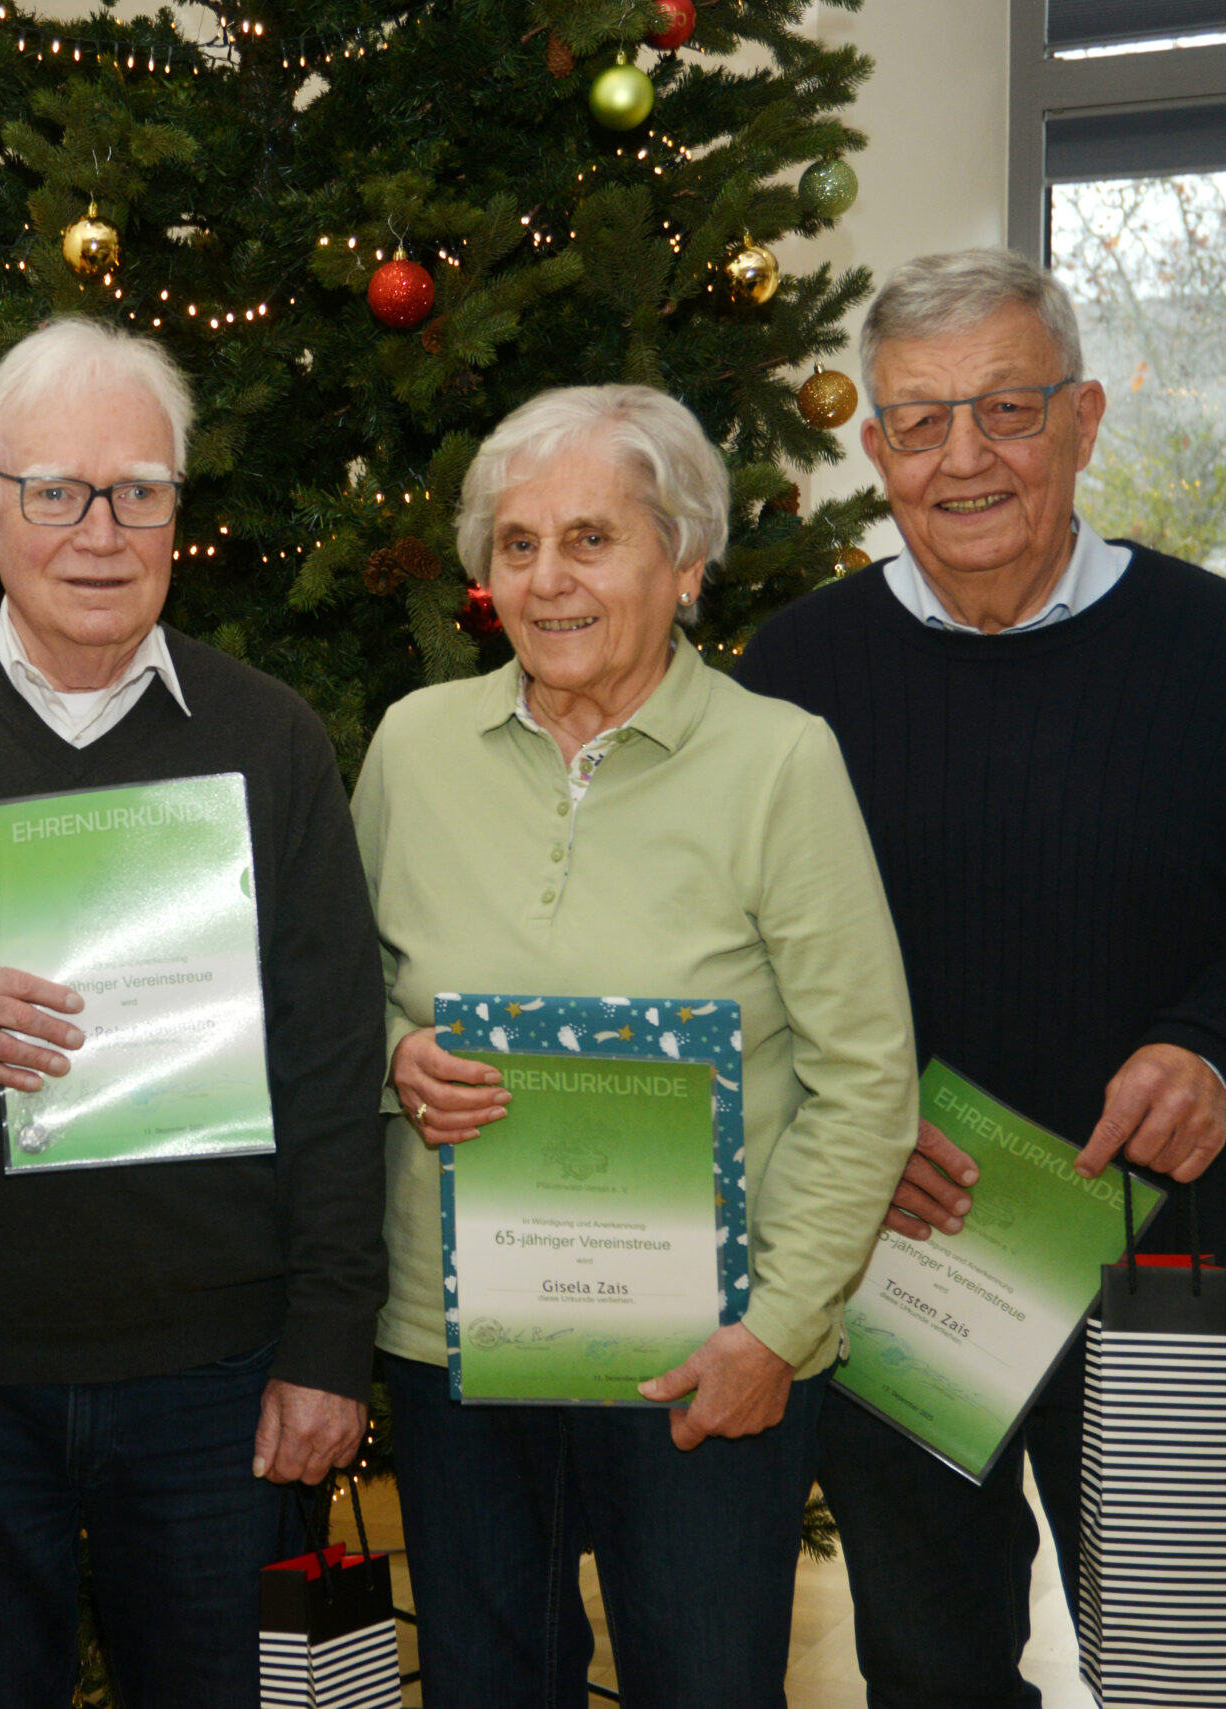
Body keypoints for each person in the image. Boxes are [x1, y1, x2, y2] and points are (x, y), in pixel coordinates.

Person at [738, 247, 1226, 1709]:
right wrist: (835, 1142)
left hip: (1159, 1286)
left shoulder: (1218, 653)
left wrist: (1220, 1052)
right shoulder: (792, 677)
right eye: (921, 419)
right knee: (930, 1677)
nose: (965, 458)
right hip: (898, 1283)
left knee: (1176, 1678)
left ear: (1084, 417)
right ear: (876, 448)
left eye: (1007, 407)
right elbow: (727, 973)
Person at [0, 316, 388, 1709]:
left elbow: (332, 1053)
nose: (100, 533)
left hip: (217, 1375)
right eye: (56, 491)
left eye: (139, 491)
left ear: (180, 509)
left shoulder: (270, 738)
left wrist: (327, 1344)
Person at [353, 383, 920, 1708]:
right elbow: (340, 991)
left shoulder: (781, 762)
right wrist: (393, 1056)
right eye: (518, 543)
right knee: (486, 1684)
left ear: (687, 561)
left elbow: (864, 1077)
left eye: (592, 539)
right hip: (456, 1343)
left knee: (705, 1683)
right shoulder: (415, 746)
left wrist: (777, 1330)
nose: (547, 579)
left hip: (705, 1353)